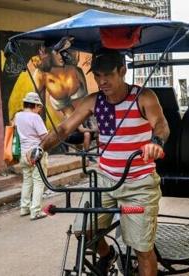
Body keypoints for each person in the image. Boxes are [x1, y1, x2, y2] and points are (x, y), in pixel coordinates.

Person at [28, 48, 170, 275]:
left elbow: (161, 124)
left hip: (139, 183)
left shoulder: (144, 97)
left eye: (108, 75)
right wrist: (40, 147)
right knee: (83, 231)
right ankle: (107, 254)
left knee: (142, 249)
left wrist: (156, 142)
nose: (102, 81)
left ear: (122, 71)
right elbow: (64, 127)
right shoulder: (93, 101)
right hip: (104, 179)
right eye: (97, 76)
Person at [14, 92, 48, 220]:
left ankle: (24, 207)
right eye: (38, 106)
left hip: (23, 153)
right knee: (39, 182)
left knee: (27, 181)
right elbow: (44, 136)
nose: (39, 109)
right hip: (36, 153)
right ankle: (36, 211)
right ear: (34, 105)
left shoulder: (18, 116)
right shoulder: (35, 117)